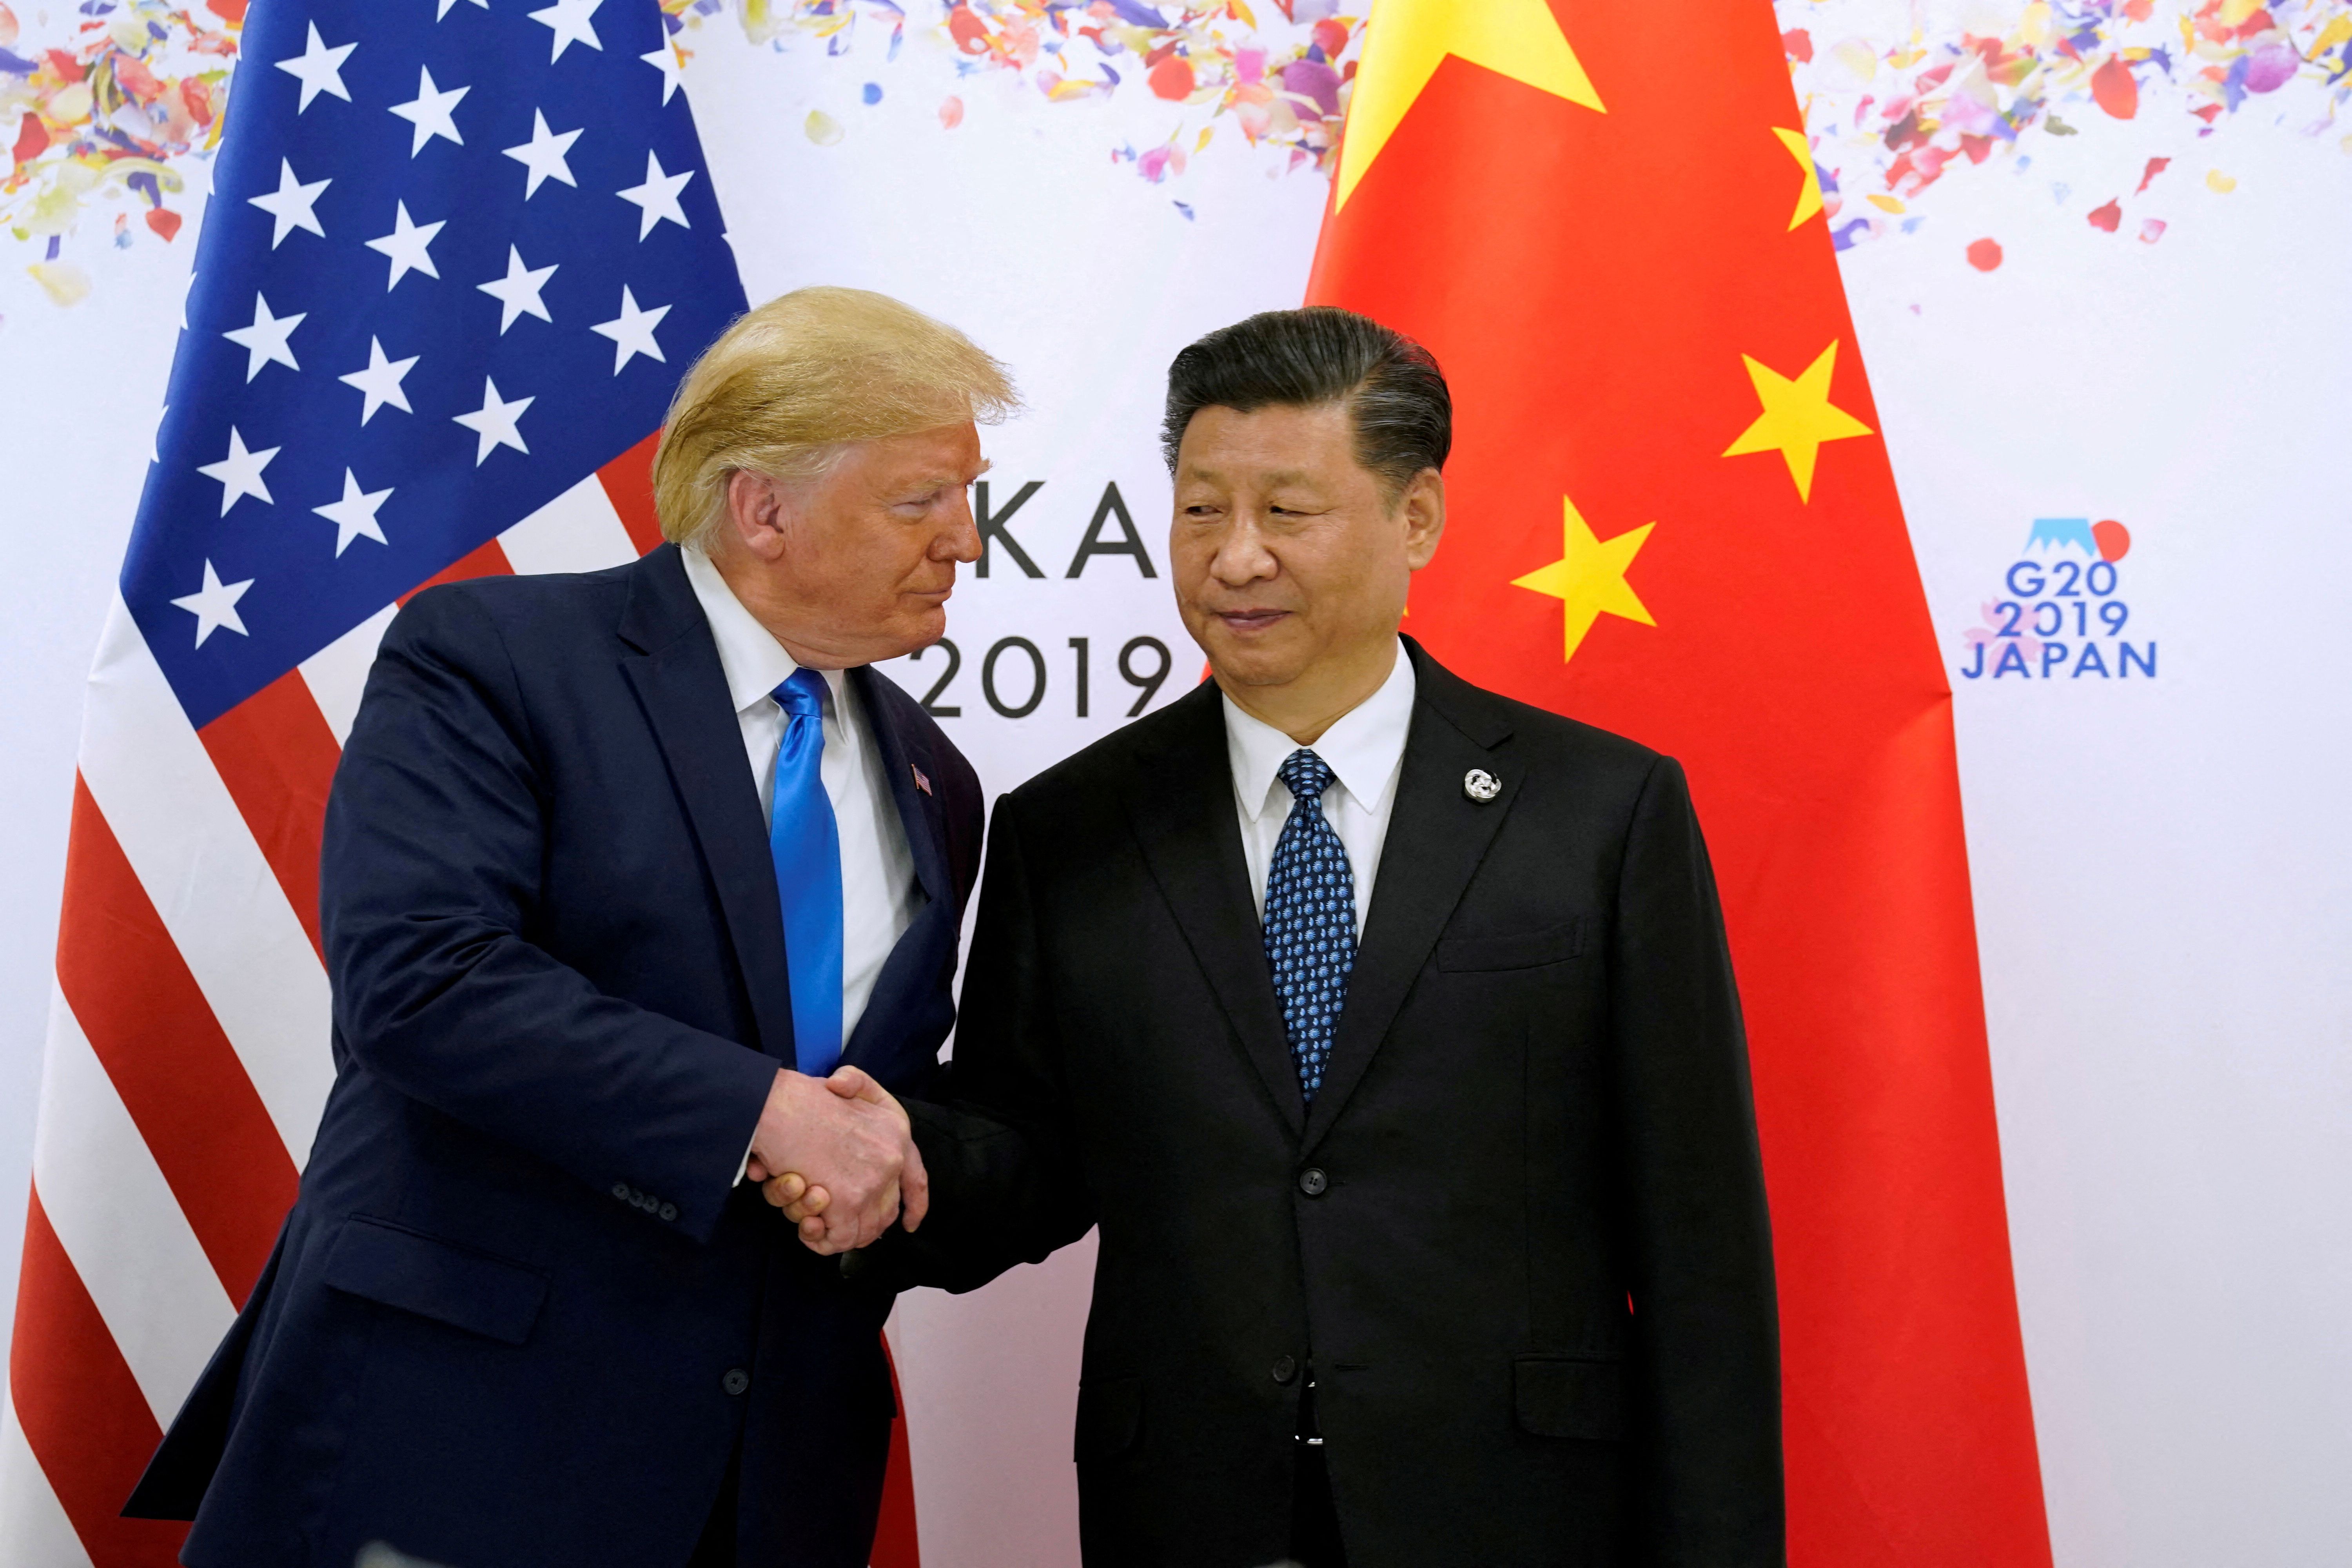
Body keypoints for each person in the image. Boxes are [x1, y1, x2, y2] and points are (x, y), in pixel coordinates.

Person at [783, 307, 1784, 1567]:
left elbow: (1698, 1244)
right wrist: (879, 1161)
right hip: (1194, 1508)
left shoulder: (1599, 812)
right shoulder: (1074, 828)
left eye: (1288, 513)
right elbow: (1028, 1156)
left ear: (1417, 517)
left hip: (1521, 1510)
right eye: (1202, 511)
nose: (1236, 559)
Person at [125, 287, 1012, 1568]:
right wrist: (767, 1114)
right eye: (921, 500)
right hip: (462, 1444)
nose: (965, 542)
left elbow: (874, 1096)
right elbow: (424, 983)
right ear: (763, 507)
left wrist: (885, 1160)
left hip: (765, 1485)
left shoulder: (936, 778)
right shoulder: (498, 655)